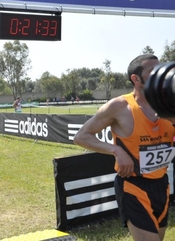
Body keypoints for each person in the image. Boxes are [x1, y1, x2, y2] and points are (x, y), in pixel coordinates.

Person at [73, 54, 175, 241]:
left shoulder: (170, 104)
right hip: (133, 186)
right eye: (153, 72)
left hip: (162, 185)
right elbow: (81, 136)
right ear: (136, 79)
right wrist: (116, 150)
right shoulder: (120, 106)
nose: (161, 75)